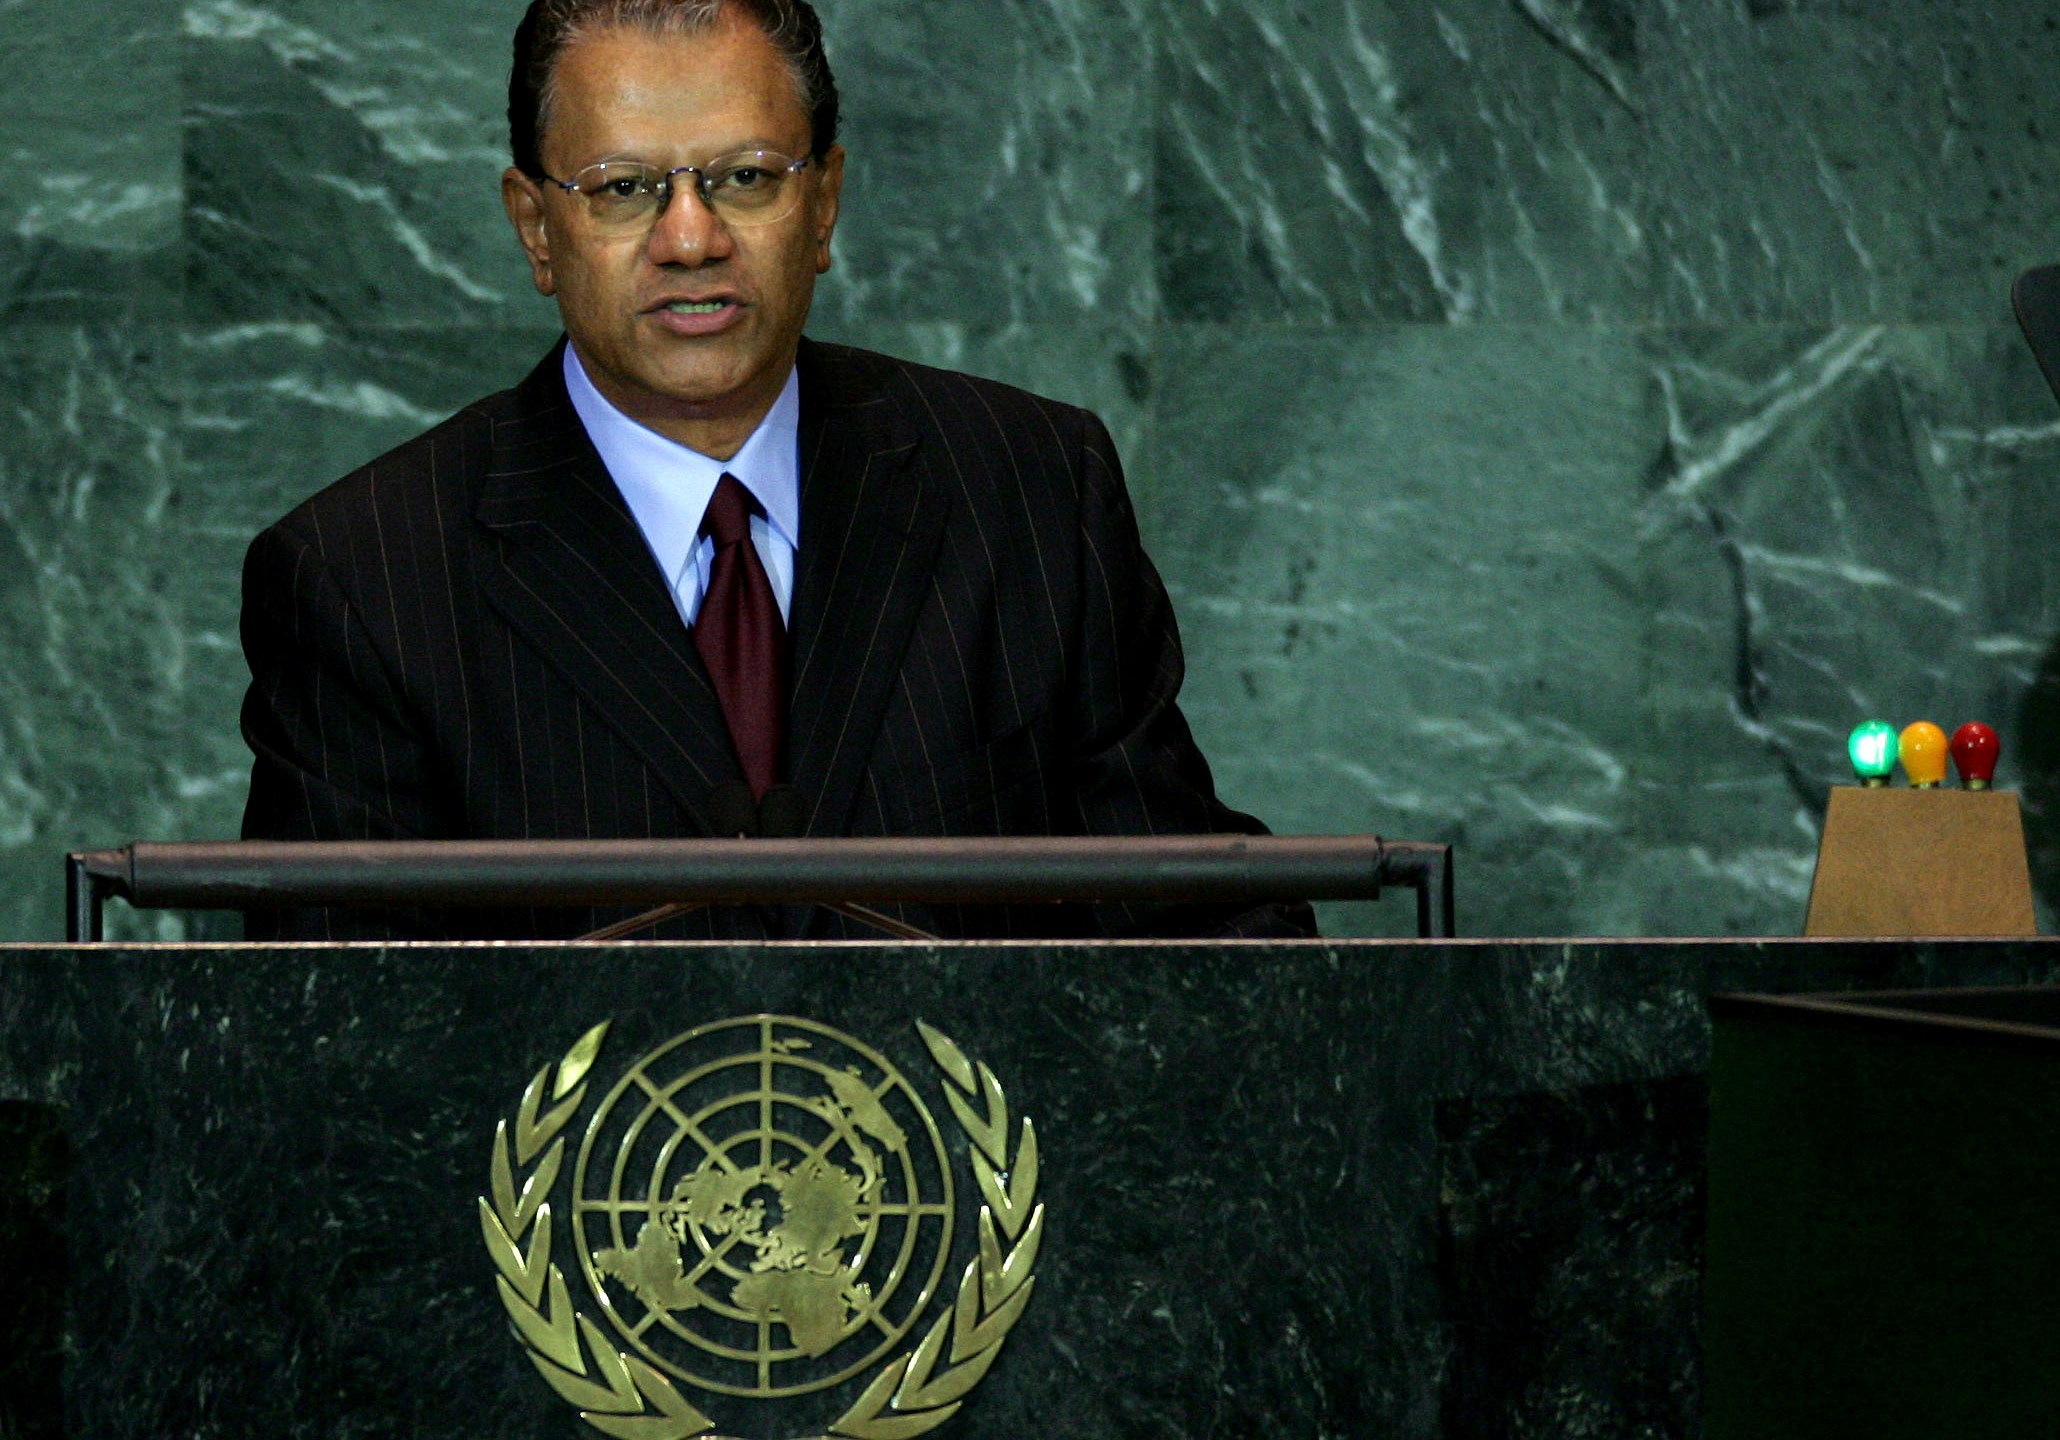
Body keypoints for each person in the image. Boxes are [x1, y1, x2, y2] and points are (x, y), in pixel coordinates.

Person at [238, 0, 1311, 941]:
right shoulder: (364, 576)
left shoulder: (1027, 488)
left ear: (825, 203)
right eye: (623, 190)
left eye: (746, 177)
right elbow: (341, 1050)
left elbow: (1187, 927)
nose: (691, 237)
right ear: (536, 228)